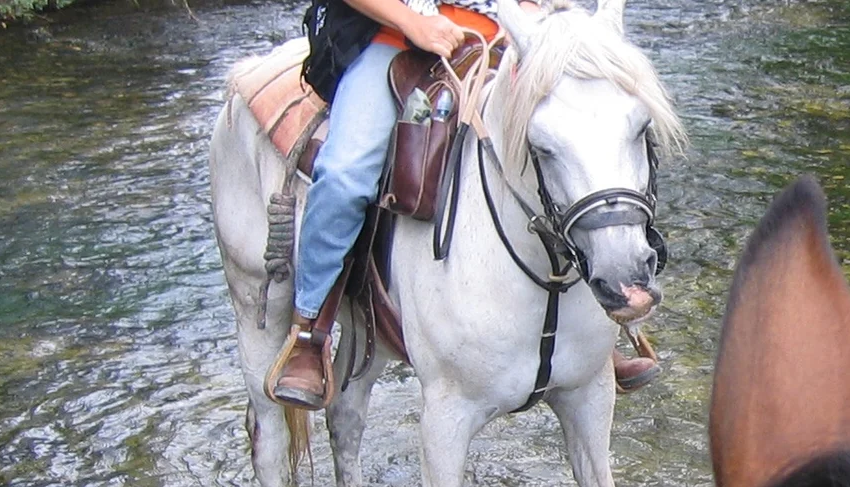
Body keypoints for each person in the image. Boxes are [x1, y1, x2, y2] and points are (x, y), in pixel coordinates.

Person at [273, 0, 659, 410]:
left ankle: (598, 324)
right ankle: (311, 329)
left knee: (586, 144)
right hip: (397, 38)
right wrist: (413, 23)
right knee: (345, 176)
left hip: (506, 35)